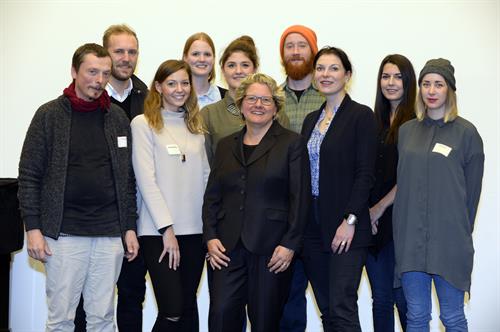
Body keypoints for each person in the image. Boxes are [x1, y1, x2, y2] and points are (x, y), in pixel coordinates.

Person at [17, 43, 139, 331]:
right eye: (92, 72)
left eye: (105, 73)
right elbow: (29, 175)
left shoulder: (117, 118)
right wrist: (33, 229)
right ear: (74, 71)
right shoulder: (49, 115)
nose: (99, 80)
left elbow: (126, 179)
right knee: (61, 320)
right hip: (64, 235)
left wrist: (129, 227)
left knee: (103, 319)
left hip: (110, 235)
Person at [203, 73, 310, 332]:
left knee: (265, 322)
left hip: (272, 250)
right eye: (251, 98)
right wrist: (210, 236)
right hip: (226, 249)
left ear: (276, 107)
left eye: (265, 100)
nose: (258, 105)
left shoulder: (291, 143)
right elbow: (212, 196)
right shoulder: (227, 145)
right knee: (221, 316)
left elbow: (300, 199)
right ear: (241, 104)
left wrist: (289, 245)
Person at [393, 58, 484, 331]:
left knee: (452, 317)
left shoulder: (467, 134)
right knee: (417, 317)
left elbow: (472, 195)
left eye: (439, 84)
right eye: (426, 84)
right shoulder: (406, 131)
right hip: (410, 243)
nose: (431, 91)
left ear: (450, 90)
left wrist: (456, 233)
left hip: (449, 244)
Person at [74, 24, 149, 332]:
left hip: (135, 217)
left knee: (132, 295)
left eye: (132, 52)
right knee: (84, 301)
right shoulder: (85, 100)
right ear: (105, 54)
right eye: (119, 51)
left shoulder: (150, 98)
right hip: (92, 221)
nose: (126, 58)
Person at [301, 46, 377, 331]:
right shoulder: (312, 120)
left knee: (342, 307)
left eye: (333, 68)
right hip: (312, 228)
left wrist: (351, 220)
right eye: (320, 68)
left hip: (347, 227)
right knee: (328, 310)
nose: (325, 74)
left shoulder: (361, 116)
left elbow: (365, 175)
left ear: (347, 75)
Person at [131, 60, 209, 331]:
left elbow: (206, 178)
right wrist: (167, 229)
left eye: (185, 83)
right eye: (172, 83)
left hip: (196, 232)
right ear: (158, 87)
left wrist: (211, 229)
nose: (180, 89)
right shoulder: (143, 124)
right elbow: (146, 181)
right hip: (159, 232)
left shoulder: (196, 128)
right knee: (172, 309)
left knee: (187, 306)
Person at [278, 24, 325, 332]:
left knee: (332, 300)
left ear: (313, 51)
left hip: (321, 212)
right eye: (289, 46)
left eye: (302, 45)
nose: (295, 51)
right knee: (287, 302)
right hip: (282, 212)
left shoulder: (329, 96)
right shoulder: (270, 98)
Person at [365, 54, 415, 332]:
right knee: (380, 300)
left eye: (398, 77)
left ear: (408, 83)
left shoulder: (416, 125)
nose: (391, 82)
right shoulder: (373, 123)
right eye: (386, 76)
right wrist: (366, 213)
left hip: (401, 224)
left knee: (404, 300)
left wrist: (380, 208)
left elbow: (410, 177)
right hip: (372, 226)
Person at [201, 35, 289, 163]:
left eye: (245, 65)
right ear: (223, 70)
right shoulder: (209, 114)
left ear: (255, 69)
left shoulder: (275, 113)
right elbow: (206, 165)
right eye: (231, 65)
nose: (238, 71)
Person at [182, 32, 227, 109]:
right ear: (185, 58)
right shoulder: (174, 98)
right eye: (195, 54)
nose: (202, 59)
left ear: (214, 59)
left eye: (207, 54)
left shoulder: (227, 97)